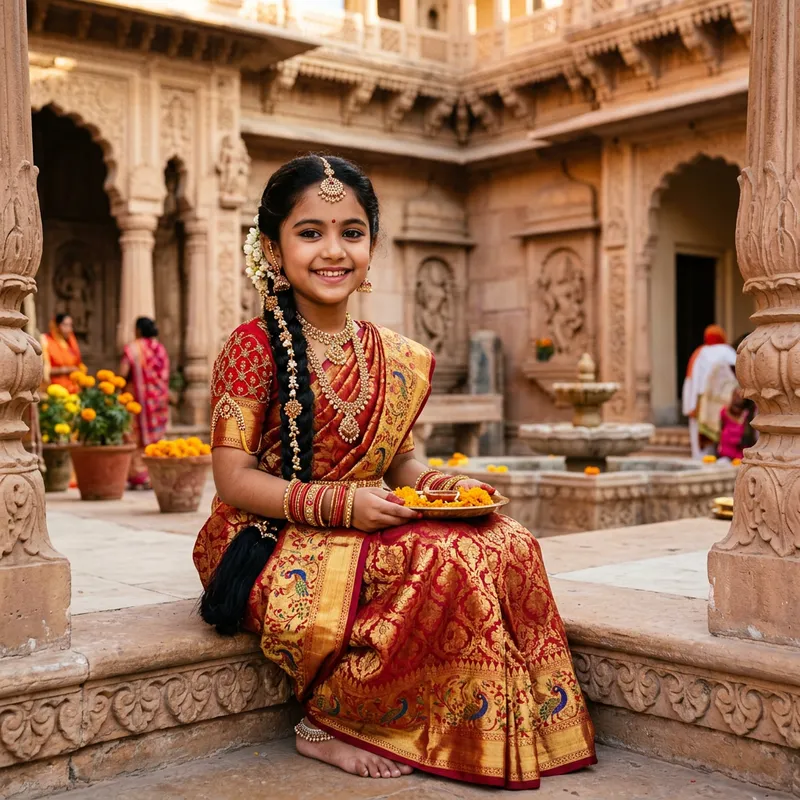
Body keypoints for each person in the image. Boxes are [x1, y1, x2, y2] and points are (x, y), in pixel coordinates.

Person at [193, 155, 596, 789]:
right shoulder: (254, 345)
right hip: (265, 532)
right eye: (310, 232)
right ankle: (330, 721)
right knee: (441, 562)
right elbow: (233, 478)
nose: (334, 251)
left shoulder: (393, 353)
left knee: (508, 541)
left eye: (352, 232)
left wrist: (446, 489)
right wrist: (341, 506)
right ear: (272, 249)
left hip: (359, 520)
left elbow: (401, 459)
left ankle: (495, 723)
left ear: (372, 246)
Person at [119, 317, 170, 489]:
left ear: (138, 330)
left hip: (137, 400)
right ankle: (153, 474)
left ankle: (138, 474)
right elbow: (164, 375)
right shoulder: (160, 349)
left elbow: (123, 372)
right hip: (157, 402)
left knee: (136, 437)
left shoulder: (133, 349)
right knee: (155, 438)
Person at [681, 325, 737, 459]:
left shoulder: (699, 353)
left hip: (701, 400)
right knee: (721, 431)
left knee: (702, 436)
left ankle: (701, 459)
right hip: (723, 400)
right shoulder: (727, 351)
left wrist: (690, 405)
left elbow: (691, 382)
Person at [41, 313, 82, 393]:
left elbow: (78, 364)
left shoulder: (70, 343)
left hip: (72, 388)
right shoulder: (45, 341)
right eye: (65, 325)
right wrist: (65, 370)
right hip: (53, 389)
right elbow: (44, 371)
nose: (69, 329)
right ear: (57, 326)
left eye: (70, 325)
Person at [718, 388, 756, 462]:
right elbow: (720, 430)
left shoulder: (747, 415)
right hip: (726, 454)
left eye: (740, 396)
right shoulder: (724, 412)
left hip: (741, 456)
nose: (738, 398)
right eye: (736, 395)